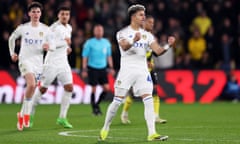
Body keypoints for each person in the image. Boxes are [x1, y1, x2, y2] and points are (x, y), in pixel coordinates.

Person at [99, 4, 175, 141]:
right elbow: (124, 47)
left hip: (142, 71)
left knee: (148, 99)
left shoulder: (148, 35)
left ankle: (152, 133)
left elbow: (157, 51)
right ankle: (105, 127)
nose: (144, 17)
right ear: (133, 17)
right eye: (141, 15)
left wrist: (168, 45)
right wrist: (134, 40)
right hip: (127, 71)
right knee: (117, 101)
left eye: (144, 15)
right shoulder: (122, 33)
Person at [8, 2, 52, 131]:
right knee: (31, 85)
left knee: (32, 91)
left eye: (38, 12)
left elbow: (53, 43)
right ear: (29, 14)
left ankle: (21, 114)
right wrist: (12, 53)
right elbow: (12, 38)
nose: (36, 14)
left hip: (38, 63)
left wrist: (48, 46)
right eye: (33, 12)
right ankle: (27, 114)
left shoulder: (46, 29)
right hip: (25, 60)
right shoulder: (23, 28)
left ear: (41, 13)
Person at [30, 5, 73, 128]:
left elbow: (62, 45)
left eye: (67, 14)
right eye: (62, 14)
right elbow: (50, 45)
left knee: (69, 87)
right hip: (51, 63)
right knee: (43, 89)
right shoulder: (54, 28)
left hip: (63, 63)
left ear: (69, 16)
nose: (65, 16)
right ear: (58, 15)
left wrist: (67, 48)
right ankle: (29, 114)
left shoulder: (69, 27)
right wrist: (64, 43)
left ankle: (62, 118)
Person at [120, 15, 167, 124]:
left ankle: (156, 116)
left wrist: (167, 46)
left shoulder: (151, 37)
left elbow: (155, 52)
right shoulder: (137, 35)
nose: (152, 24)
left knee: (155, 91)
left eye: (153, 22)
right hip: (137, 68)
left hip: (149, 69)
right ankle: (124, 113)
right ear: (144, 23)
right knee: (133, 94)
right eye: (150, 22)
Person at [81, 24, 115, 116]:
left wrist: (111, 67)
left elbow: (109, 56)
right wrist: (84, 69)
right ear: (94, 32)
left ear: (103, 32)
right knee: (94, 89)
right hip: (92, 68)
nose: (99, 32)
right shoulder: (89, 43)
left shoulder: (106, 43)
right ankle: (94, 109)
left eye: (100, 30)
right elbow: (85, 56)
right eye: (97, 30)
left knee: (106, 88)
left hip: (103, 68)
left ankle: (97, 104)